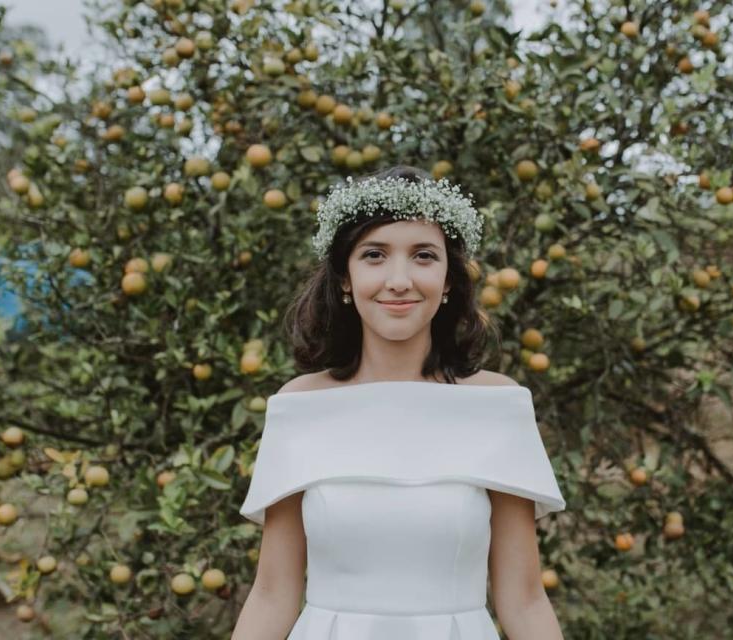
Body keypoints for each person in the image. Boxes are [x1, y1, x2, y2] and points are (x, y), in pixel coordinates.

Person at [231, 165, 566, 639]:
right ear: (345, 278)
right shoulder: (299, 407)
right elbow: (272, 595)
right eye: (374, 255)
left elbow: (525, 601)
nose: (399, 279)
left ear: (449, 280)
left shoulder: (498, 406)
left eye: (424, 256)